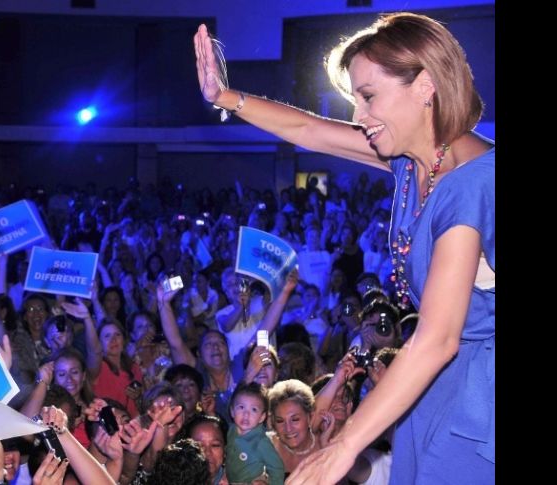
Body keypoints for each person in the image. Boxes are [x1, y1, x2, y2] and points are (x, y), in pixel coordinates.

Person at [195, 12, 494, 482]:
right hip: (433, 385)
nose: (359, 116)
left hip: (478, 404)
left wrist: (345, 445)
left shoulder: (473, 182)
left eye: (368, 96)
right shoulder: (411, 163)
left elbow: (438, 337)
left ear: (426, 86)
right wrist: (225, 96)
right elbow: (309, 131)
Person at [224, 382, 284, 485]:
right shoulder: (230, 431)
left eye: (254, 410)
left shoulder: (261, 442)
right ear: (232, 411)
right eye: (241, 407)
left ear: (262, 417)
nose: (246, 414)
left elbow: (277, 468)